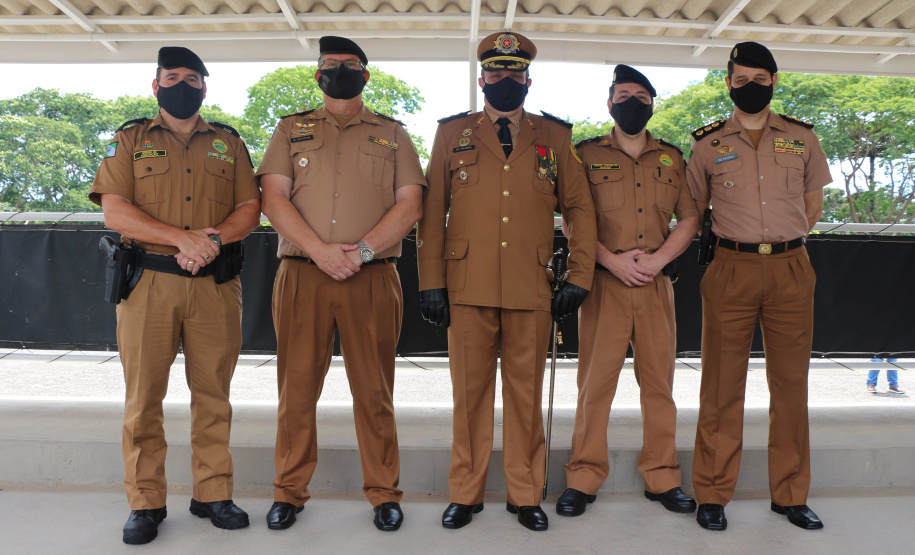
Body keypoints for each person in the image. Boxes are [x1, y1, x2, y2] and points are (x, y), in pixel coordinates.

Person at [417, 31, 598, 532]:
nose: (504, 80)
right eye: (495, 73)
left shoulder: (555, 137)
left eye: (513, 73)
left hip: (531, 286)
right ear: (482, 80)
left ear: (527, 80)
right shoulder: (452, 133)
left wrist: (579, 275)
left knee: (525, 395)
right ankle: (465, 493)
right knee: (469, 396)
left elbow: (579, 209)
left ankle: (525, 493)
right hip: (466, 284)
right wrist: (431, 281)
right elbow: (433, 212)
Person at [89, 46, 261, 544]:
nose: (181, 84)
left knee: (214, 396)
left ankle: (213, 495)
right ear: (155, 85)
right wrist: (179, 239)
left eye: (191, 78)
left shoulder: (228, 143)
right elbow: (115, 212)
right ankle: (145, 503)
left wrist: (207, 242)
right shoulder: (131, 139)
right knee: (143, 399)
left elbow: (250, 208)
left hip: (213, 283)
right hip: (149, 284)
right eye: (171, 77)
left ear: (204, 88)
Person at [257, 36, 425, 533]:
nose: (339, 71)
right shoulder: (291, 129)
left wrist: (362, 252)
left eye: (349, 65)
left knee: (375, 393)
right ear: (317, 75)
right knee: (296, 390)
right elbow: (273, 198)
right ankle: (288, 492)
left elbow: (410, 204)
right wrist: (321, 251)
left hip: (371, 277)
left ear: (365, 76)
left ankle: (384, 494)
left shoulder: (393, 133)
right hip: (303, 275)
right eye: (330, 65)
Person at [686, 41, 832, 532]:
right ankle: (712, 493)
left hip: (791, 268)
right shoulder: (707, 144)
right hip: (731, 268)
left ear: (775, 80)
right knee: (722, 387)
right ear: (728, 83)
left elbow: (811, 207)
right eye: (741, 79)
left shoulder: (803, 139)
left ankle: (790, 494)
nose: (751, 87)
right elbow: (694, 211)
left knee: (790, 387)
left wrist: (782, 240)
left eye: (760, 79)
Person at [556, 65, 699, 518]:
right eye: (623, 94)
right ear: (609, 103)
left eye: (641, 95)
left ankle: (662, 477)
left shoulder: (673, 159)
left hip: (655, 284)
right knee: (595, 386)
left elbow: (691, 219)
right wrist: (610, 260)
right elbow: (571, 218)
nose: (631, 101)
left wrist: (658, 261)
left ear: (652, 103)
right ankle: (582, 478)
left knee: (659, 386)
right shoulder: (584, 154)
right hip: (605, 284)